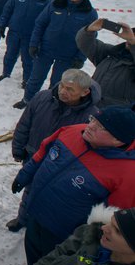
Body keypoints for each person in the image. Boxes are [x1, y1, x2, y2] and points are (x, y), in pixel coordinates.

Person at [10, 105, 135, 265]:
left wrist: (88, 245)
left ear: (118, 141)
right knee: (33, 253)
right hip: (36, 212)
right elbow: (43, 152)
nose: (90, 126)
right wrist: (24, 175)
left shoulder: (128, 174)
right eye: (94, 120)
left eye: (101, 127)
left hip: (63, 235)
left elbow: (114, 218)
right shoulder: (73, 131)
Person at [7, 69, 100, 232]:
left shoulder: (92, 117)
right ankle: (22, 219)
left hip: (63, 167)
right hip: (34, 156)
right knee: (29, 191)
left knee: (52, 198)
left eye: (70, 90)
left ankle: (41, 227)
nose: (63, 91)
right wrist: (18, 148)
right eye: (62, 86)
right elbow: (24, 124)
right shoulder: (42, 98)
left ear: (85, 92)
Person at [14, 0, 99, 109]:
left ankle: (51, 104)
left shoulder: (90, 13)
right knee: (35, 79)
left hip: (67, 55)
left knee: (59, 83)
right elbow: (40, 24)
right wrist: (34, 44)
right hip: (45, 50)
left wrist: (80, 57)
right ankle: (27, 100)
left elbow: (89, 38)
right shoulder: (56, 4)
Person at [30, 206, 135, 265]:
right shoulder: (94, 233)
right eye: (111, 222)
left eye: (116, 230)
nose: (104, 227)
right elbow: (64, 249)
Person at [0, 0, 52, 87]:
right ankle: (6, 73)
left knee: (28, 59)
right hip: (14, 31)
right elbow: (8, 9)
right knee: (10, 54)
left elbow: (48, 21)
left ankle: (26, 80)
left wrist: (42, 37)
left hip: (31, 35)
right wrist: (2, 24)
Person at [76, 18, 135, 107]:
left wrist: (133, 43)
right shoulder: (112, 52)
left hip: (116, 114)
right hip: (90, 105)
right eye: (132, 35)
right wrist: (89, 30)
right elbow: (85, 43)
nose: (129, 40)